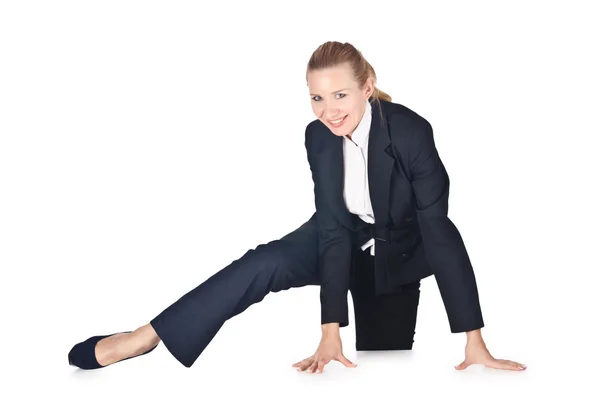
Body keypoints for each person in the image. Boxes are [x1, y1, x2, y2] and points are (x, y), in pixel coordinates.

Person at [68, 41, 526, 373]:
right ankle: (144, 337)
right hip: (338, 233)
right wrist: (329, 327)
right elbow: (330, 229)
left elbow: (438, 229)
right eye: (317, 97)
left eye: (340, 94)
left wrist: (474, 339)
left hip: (404, 250)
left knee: (383, 365)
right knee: (264, 261)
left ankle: (394, 319)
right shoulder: (317, 137)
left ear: (368, 87)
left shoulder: (409, 132)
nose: (328, 111)